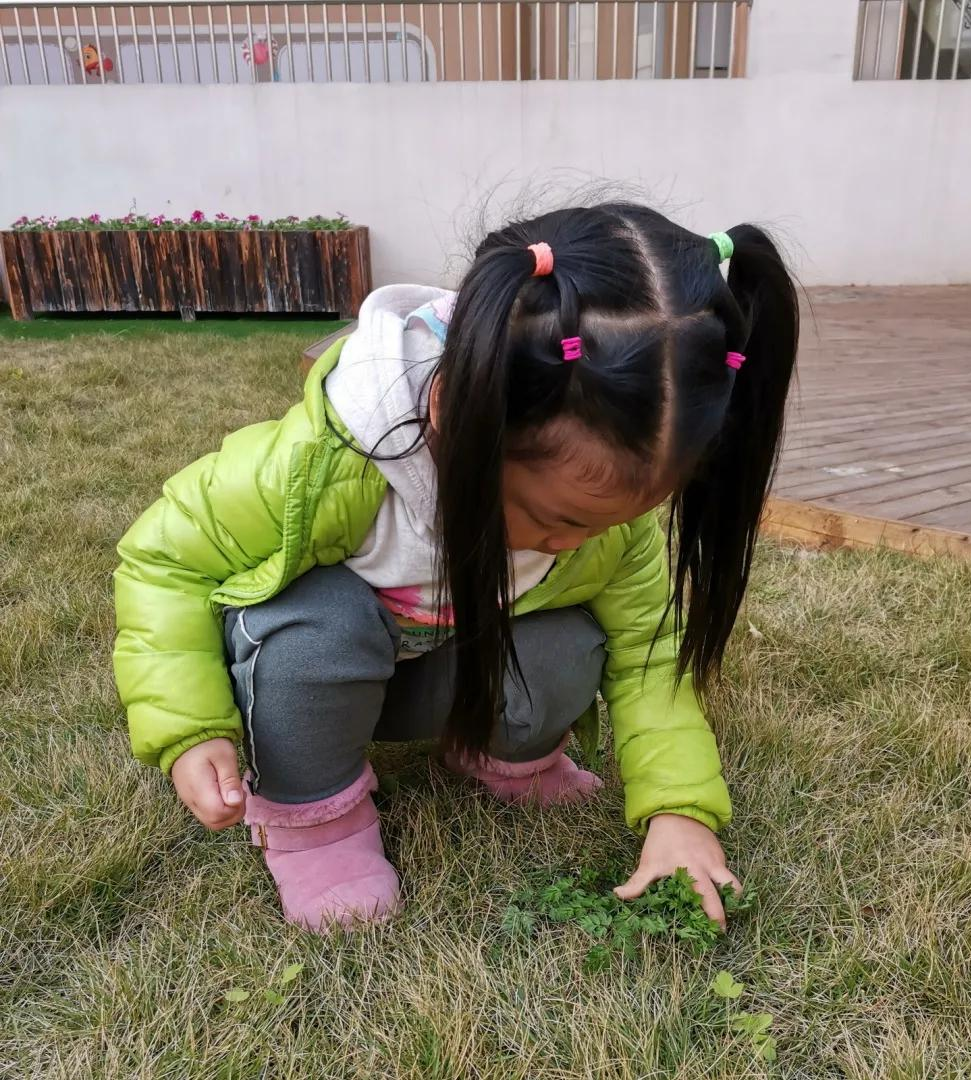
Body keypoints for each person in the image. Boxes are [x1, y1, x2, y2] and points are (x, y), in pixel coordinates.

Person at [113, 202, 799, 933]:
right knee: (319, 627)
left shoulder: (601, 520)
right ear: (453, 412)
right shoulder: (321, 466)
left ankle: (498, 753)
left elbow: (648, 659)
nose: (580, 543)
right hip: (313, 681)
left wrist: (679, 809)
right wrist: (190, 730)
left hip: (437, 665)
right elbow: (161, 562)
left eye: (619, 520)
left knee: (575, 643)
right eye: (560, 519)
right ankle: (316, 823)